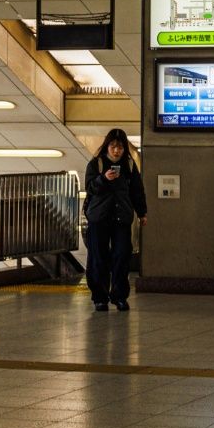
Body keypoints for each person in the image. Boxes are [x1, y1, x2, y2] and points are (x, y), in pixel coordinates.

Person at [83, 128, 147, 312]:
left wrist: (142, 212)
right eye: (113, 146)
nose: (116, 151)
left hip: (121, 218)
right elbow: (90, 187)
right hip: (99, 219)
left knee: (121, 257)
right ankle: (99, 297)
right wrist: (103, 179)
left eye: (120, 147)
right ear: (107, 146)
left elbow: (137, 190)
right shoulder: (97, 164)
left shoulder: (129, 165)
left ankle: (119, 297)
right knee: (98, 258)